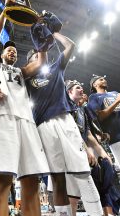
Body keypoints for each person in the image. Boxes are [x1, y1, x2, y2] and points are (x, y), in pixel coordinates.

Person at [26, 28, 102, 216]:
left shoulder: (55, 67)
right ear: (29, 63)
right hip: (43, 126)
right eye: (34, 57)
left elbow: (71, 46)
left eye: (40, 55)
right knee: (57, 178)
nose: (38, 59)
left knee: (83, 173)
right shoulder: (26, 79)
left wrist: (53, 32)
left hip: (65, 120)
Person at [0, 0, 50, 216]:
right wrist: (6, 10)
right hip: (4, 119)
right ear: (2, 54)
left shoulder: (21, 72)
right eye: (8, 50)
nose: (12, 51)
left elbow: (41, 62)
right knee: (2, 181)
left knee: (31, 181)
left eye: (14, 50)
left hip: (27, 122)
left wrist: (40, 32)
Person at [87, 75, 120, 212]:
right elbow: (99, 116)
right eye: (100, 79)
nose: (103, 80)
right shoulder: (94, 98)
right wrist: (117, 101)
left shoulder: (116, 93)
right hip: (118, 140)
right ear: (94, 85)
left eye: (104, 78)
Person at [66, 80, 113, 215]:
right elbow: (72, 132)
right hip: (71, 153)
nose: (82, 90)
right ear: (69, 91)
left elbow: (87, 134)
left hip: (81, 152)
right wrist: (86, 150)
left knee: (95, 186)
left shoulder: (81, 110)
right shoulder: (67, 107)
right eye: (78, 88)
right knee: (72, 192)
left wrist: (102, 153)